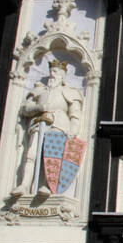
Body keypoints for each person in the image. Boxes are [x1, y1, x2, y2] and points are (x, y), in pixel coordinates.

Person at [10, 59, 84, 199]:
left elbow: (75, 114)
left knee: (51, 156)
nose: (52, 74)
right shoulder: (39, 90)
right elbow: (26, 109)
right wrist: (39, 107)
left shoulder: (68, 92)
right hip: (39, 123)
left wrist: (73, 131)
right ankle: (25, 184)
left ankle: (48, 185)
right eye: (50, 71)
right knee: (31, 154)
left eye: (55, 71)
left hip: (58, 124)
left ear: (62, 75)